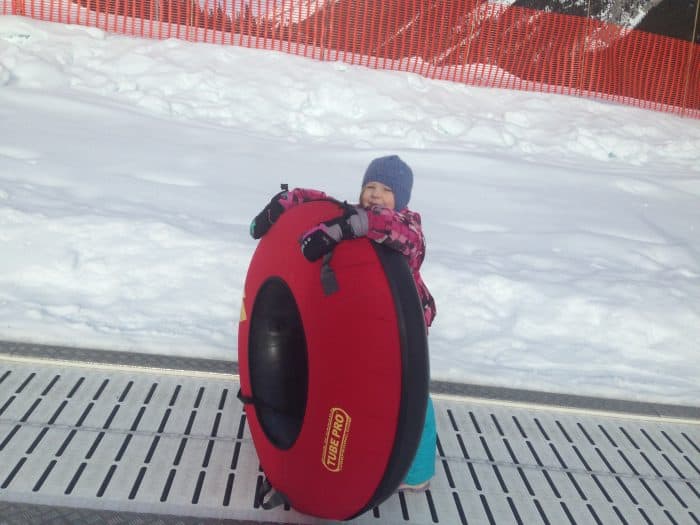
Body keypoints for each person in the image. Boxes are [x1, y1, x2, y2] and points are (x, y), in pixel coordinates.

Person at [250, 154, 437, 492]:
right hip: (366, 324)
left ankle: (418, 471)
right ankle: (367, 454)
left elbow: (395, 232)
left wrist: (349, 227)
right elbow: (324, 204)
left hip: (403, 333)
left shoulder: (408, 227)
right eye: (370, 187)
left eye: (385, 190)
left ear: (402, 199)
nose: (375, 195)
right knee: (363, 393)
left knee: (414, 400)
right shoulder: (355, 214)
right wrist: (287, 204)